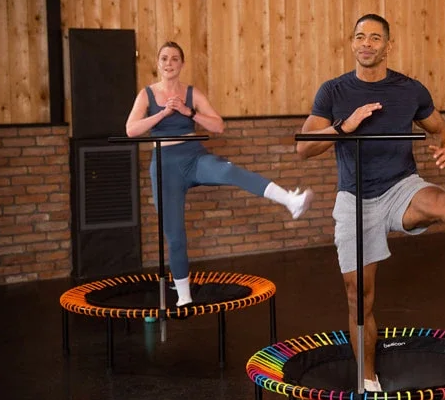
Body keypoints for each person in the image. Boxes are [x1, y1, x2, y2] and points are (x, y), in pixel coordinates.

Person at [296, 14, 445, 393]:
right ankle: (367, 381)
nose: (367, 44)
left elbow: (441, 127)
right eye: (360, 37)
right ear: (352, 43)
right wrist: (345, 126)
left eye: (375, 38)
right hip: (355, 198)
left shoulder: (410, 90)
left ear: (389, 45)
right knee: (360, 298)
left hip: (401, 186)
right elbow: (304, 148)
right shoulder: (333, 91)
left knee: (442, 203)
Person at [125, 41, 313, 308]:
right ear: (158, 63)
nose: (169, 63)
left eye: (175, 59)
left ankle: (290, 201)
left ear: (182, 64)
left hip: (194, 156)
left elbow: (218, 126)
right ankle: (184, 296)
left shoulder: (192, 93)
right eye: (164, 58)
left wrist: (187, 112)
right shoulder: (146, 95)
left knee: (230, 171)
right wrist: (165, 112)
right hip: (165, 164)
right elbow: (131, 130)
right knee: (175, 234)